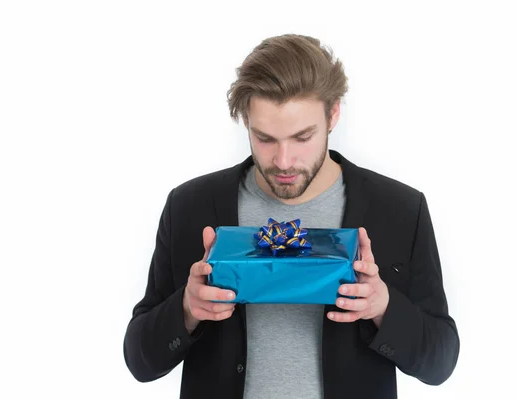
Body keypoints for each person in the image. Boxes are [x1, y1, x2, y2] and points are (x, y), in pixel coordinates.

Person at [123, 34, 460, 399]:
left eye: (302, 137)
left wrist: (383, 307)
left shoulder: (399, 209)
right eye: (265, 138)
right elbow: (140, 361)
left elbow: (440, 362)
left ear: (333, 115)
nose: (283, 161)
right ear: (245, 122)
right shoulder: (189, 206)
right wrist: (187, 308)